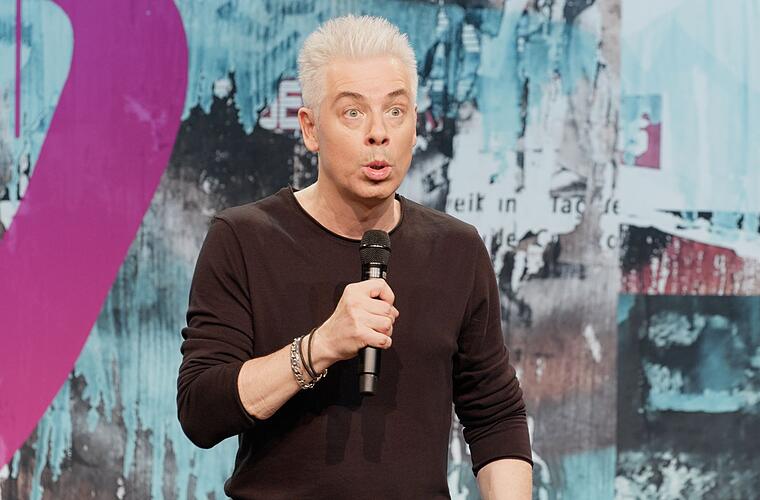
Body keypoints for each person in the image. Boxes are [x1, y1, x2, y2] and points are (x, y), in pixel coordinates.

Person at [177, 14, 532, 499]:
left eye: (395, 111)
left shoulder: (457, 248)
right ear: (310, 129)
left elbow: (495, 414)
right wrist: (319, 347)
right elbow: (200, 411)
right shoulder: (243, 238)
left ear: (415, 125)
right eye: (352, 112)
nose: (378, 133)